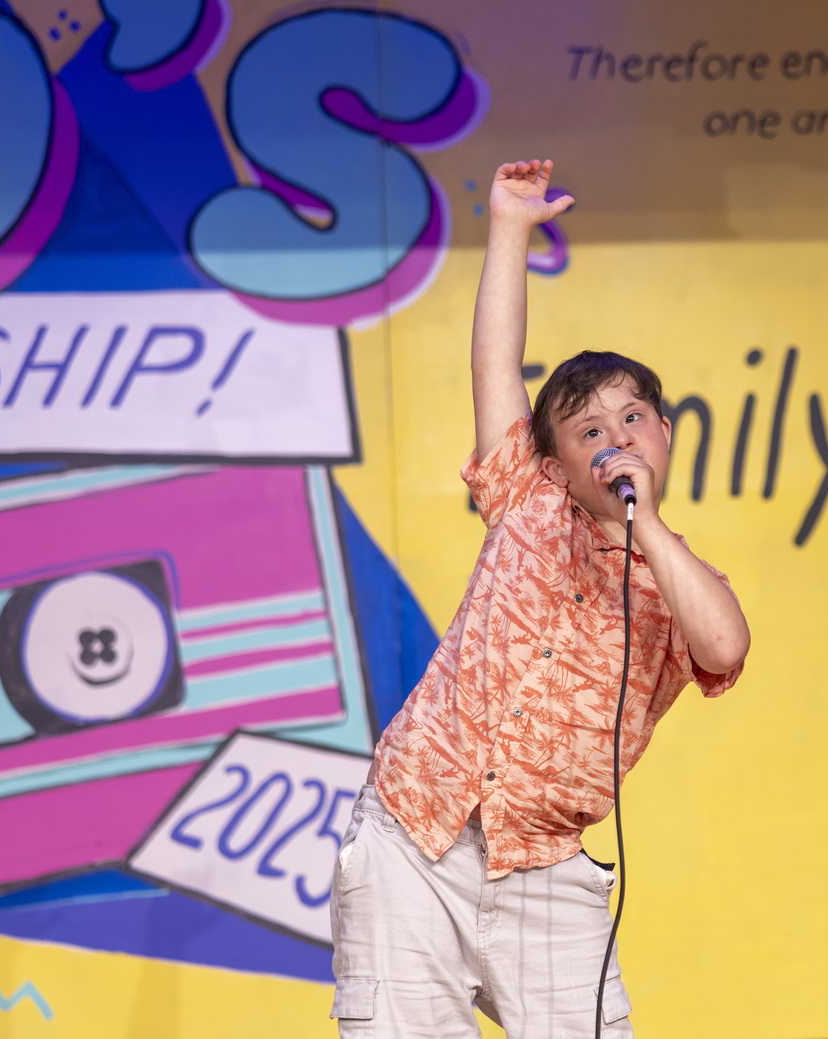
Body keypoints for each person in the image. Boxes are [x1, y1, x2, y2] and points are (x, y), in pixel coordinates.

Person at [329, 159, 750, 1039]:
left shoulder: (676, 580)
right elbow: (494, 366)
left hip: (547, 869)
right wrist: (512, 228)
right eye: (588, 431)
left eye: (632, 420)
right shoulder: (526, 498)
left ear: (665, 436)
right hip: (417, 832)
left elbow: (724, 647)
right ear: (553, 461)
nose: (614, 441)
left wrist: (650, 532)